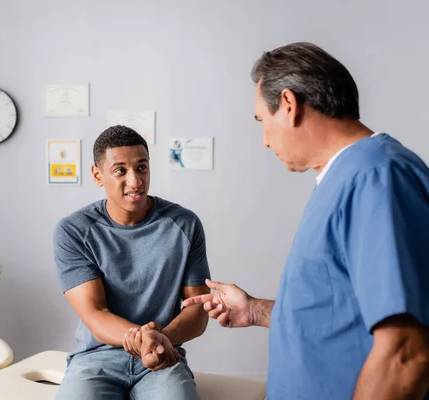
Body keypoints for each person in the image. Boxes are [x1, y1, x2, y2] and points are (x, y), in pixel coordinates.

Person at [183, 42, 429, 399]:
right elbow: (341, 311)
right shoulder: (345, 176)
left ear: (288, 104)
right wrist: (254, 310)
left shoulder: (378, 176)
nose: (265, 141)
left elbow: (406, 352)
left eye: (262, 122)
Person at [53, 125, 211, 399]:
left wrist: (161, 340)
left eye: (142, 168)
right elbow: (95, 313)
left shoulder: (185, 224)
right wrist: (146, 338)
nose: (135, 181)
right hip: (96, 359)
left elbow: (198, 312)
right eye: (120, 171)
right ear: (97, 175)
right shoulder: (74, 230)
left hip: (163, 355)